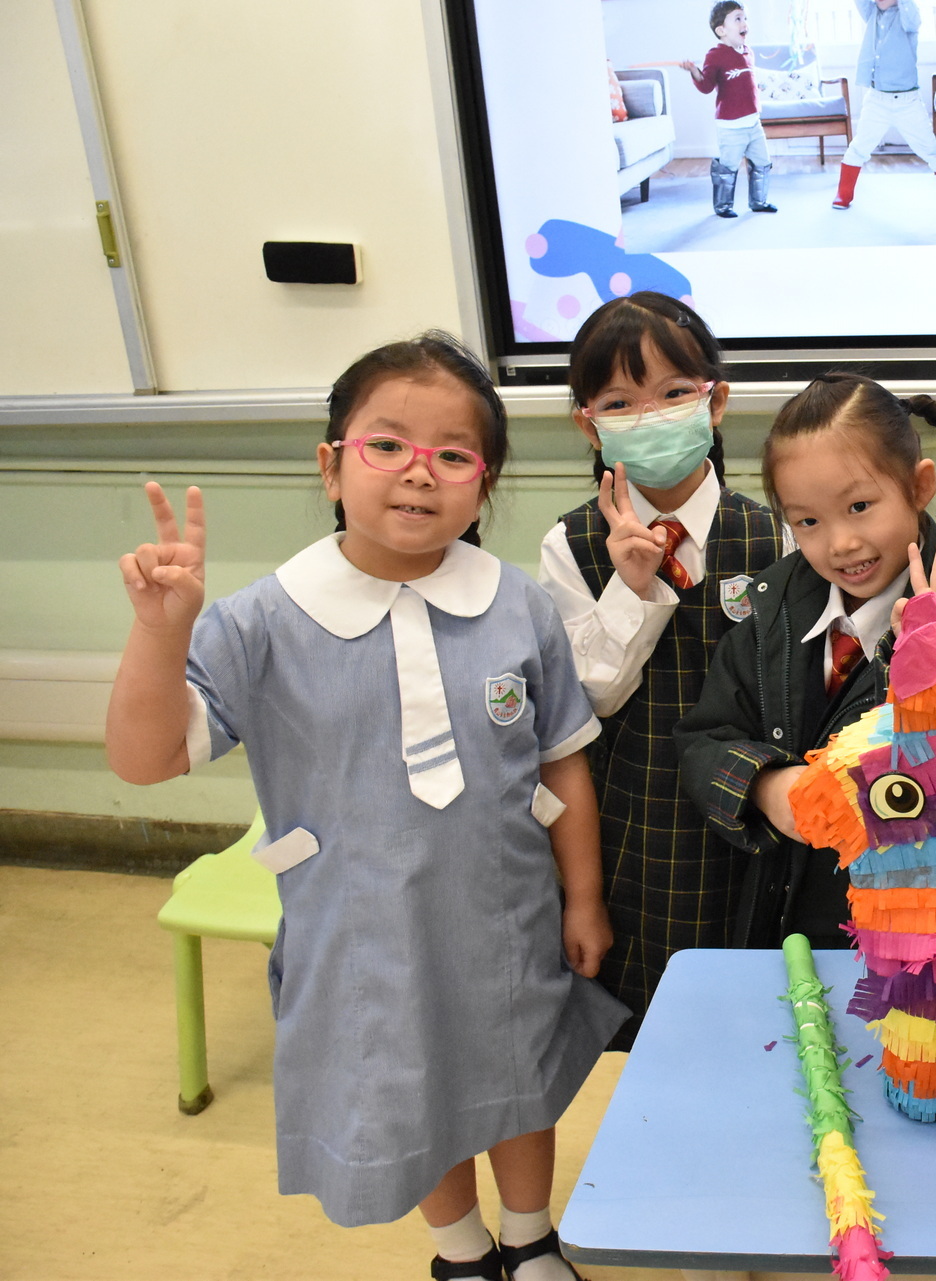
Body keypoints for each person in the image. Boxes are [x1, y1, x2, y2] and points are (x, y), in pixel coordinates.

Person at [104, 333, 628, 1281]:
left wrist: (583, 898)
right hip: (361, 929)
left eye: (454, 455)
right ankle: (462, 1252)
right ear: (331, 464)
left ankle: (530, 1237)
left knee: (519, 1076)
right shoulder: (263, 619)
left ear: (484, 483)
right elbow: (145, 760)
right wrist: (159, 633)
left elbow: (563, 762)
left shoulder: (516, 606)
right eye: (387, 445)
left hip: (506, 915)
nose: (418, 473)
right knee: (408, 1085)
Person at [675, 375, 936, 949]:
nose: (841, 543)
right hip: (779, 927)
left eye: (859, 507)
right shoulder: (770, 609)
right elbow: (705, 738)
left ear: (919, 487)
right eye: (808, 521)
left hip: (906, 942)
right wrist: (766, 785)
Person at [535, 293, 783, 1045]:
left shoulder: (775, 533)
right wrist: (631, 587)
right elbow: (587, 700)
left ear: (715, 402)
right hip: (630, 825)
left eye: (674, 393)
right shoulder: (570, 543)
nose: (650, 416)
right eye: (620, 402)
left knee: (754, 1016)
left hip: (755, 817)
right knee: (642, 1023)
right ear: (590, 424)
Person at [831, 0, 936, 214]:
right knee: (859, 147)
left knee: (931, 149)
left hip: (908, 102)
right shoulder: (872, 14)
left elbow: (912, 17)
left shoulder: (908, 16)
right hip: (876, 100)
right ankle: (844, 193)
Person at [682, 1, 776, 218]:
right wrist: (695, 72)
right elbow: (706, 86)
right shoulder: (715, 55)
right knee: (728, 166)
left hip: (754, 123)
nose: (744, 23)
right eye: (737, 19)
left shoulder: (748, 52)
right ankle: (723, 206)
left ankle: (759, 201)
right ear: (721, 30)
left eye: (745, 18)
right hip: (731, 127)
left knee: (763, 162)